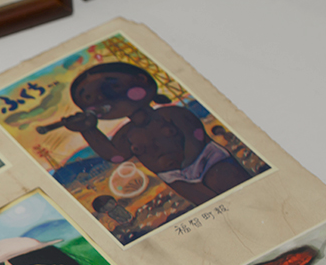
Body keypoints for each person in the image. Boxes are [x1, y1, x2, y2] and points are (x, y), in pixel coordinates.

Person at [48, 62, 249, 206]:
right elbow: (115, 155)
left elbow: (194, 135)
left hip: (208, 160)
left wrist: (185, 160)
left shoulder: (170, 113)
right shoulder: (126, 134)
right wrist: (88, 130)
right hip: (175, 178)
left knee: (240, 193)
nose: (101, 98)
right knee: (213, 207)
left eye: (112, 87)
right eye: (89, 98)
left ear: (141, 81)